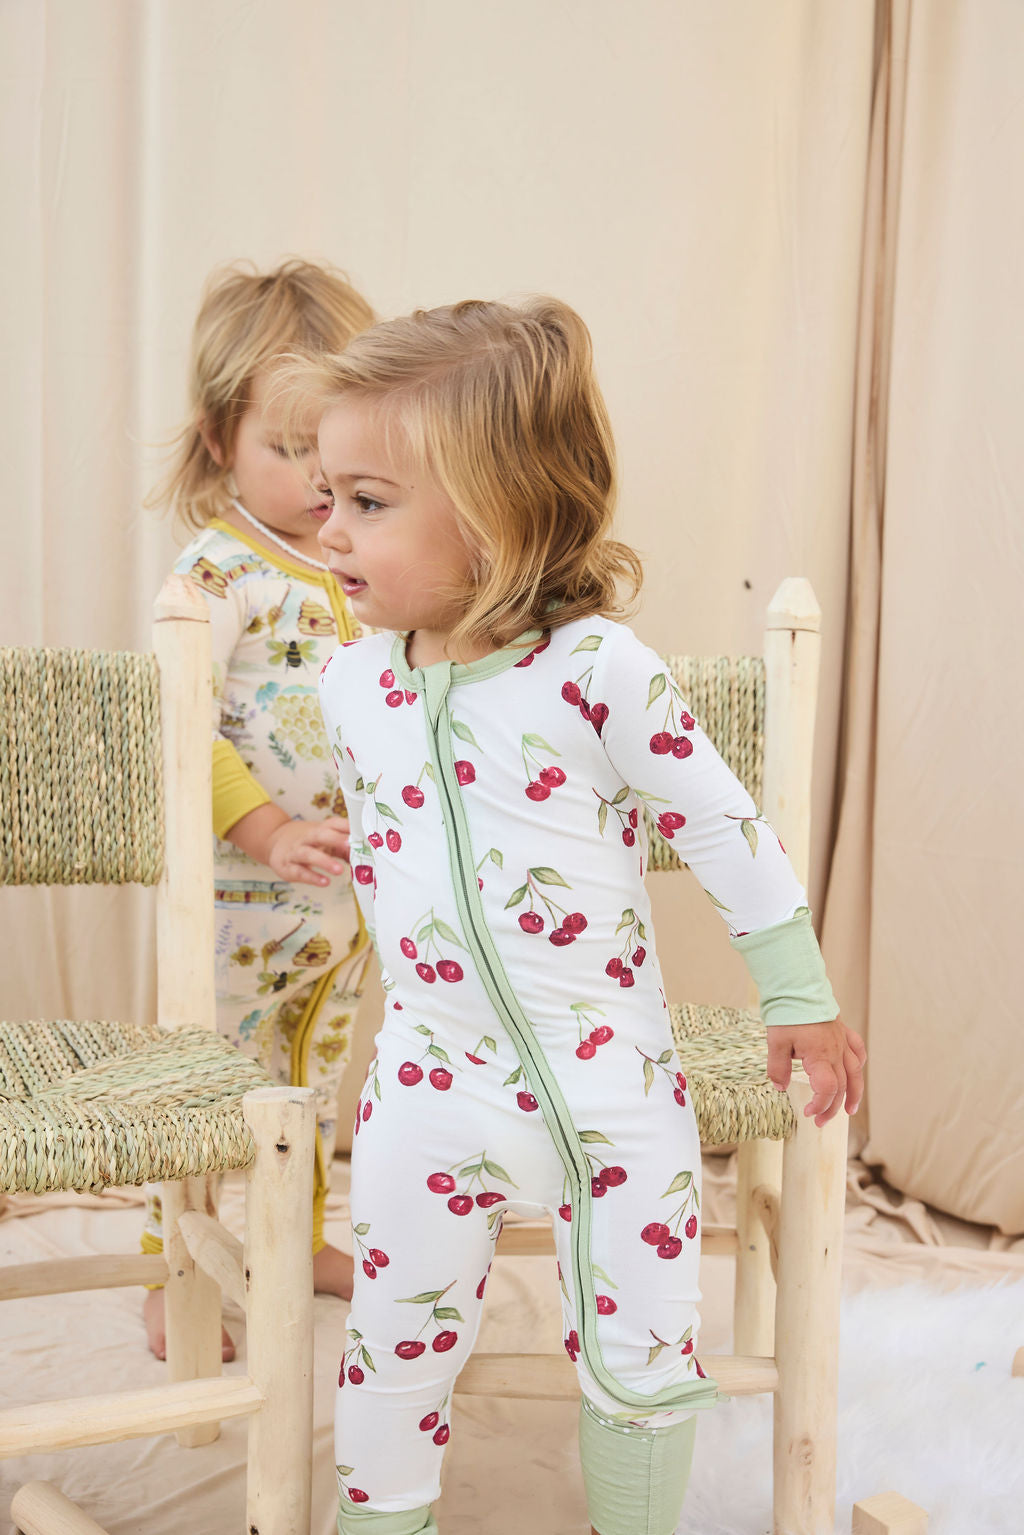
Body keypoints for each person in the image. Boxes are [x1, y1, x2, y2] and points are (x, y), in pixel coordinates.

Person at [293, 297, 865, 1535]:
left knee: (646, 1352)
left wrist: (796, 990)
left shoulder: (597, 669)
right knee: (390, 1346)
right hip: (428, 1081)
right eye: (326, 493)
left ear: (498, 517)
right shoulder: (350, 682)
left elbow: (722, 826)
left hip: (609, 1084)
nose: (324, 523)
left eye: (367, 500)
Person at [142, 259, 377, 1361]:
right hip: (238, 902)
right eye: (289, 449)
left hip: (338, 905)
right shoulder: (216, 571)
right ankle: (169, 1268)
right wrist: (267, 831)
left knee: (314, 1082)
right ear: (216, 441)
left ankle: (306, 1237)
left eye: (334, 446)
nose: (319, 479)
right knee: (207, 1089)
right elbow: (184, 729)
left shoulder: (360, 562)